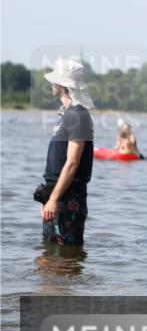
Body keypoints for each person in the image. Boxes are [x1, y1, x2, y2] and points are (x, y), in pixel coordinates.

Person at [39, 58, 95, 247]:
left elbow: (72, 162)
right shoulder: (67, 114)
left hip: (68, 196)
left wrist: (54, 199)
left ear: (60, 84)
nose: (52, 84)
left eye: (54, 80)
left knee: (65, 253)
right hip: (56, 192)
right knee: (49, 253)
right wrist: (48, 197)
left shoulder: (78, 115)